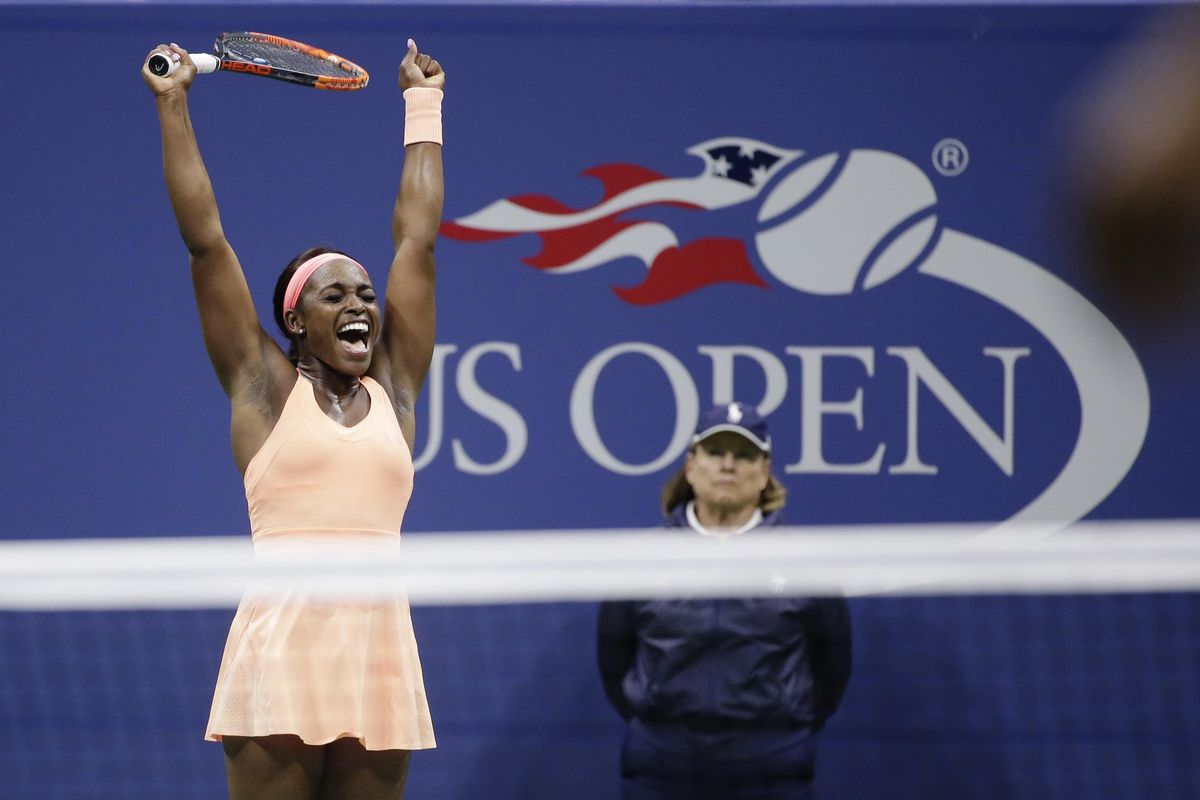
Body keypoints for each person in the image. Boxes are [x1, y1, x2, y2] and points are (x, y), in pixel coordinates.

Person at [142, 37, 444, 800]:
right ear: (296, 321)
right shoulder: (262, 388)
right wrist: (174, 104)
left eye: (367, 295)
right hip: (281, 650)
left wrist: (424, 105)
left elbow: (418, 237)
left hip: (380, 651)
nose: (360, 306)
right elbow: (205, 243)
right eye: (335, 295)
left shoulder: (396, 388)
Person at [597, 403, 852, 800]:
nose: (728, 465)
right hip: (662, 763)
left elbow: (832, 667)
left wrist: (776, 730)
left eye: (744, 455)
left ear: (764, 472)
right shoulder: (642, 558)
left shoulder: (806, 562)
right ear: (691, 466)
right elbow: (614, 660)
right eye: (715, 452)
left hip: (772, 764)